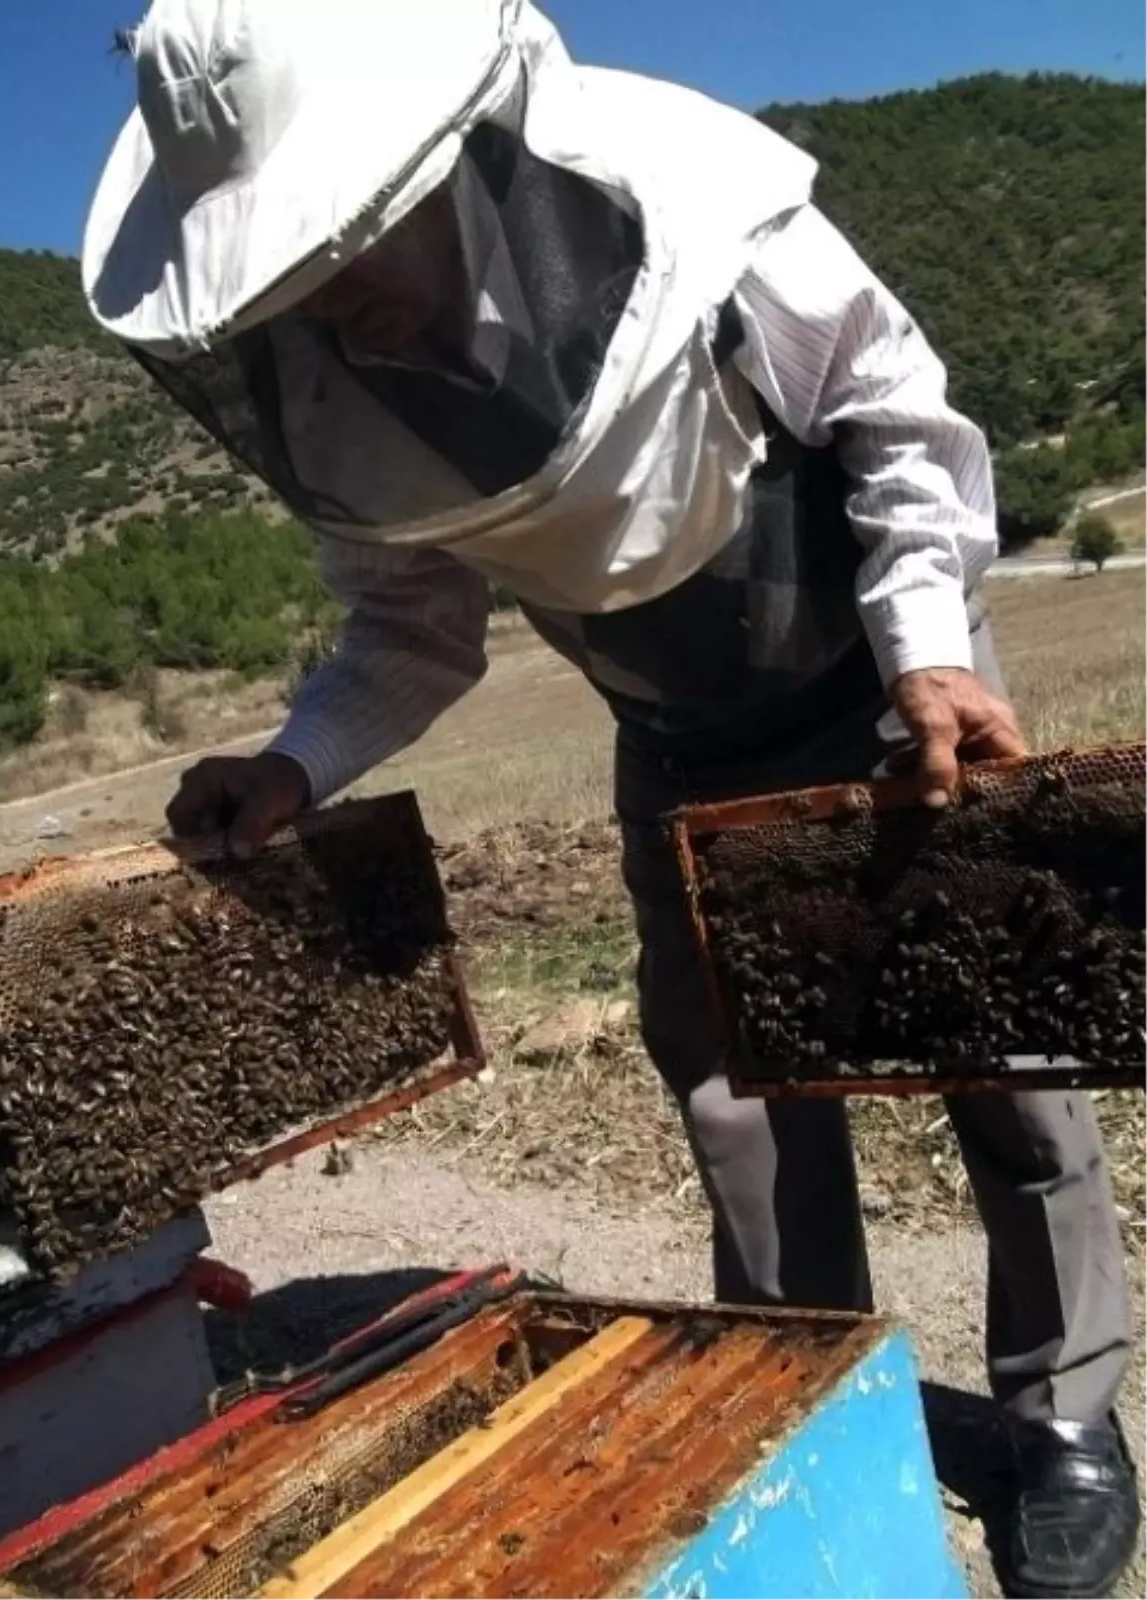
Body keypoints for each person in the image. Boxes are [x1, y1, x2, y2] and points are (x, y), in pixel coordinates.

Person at [84, 3, 1137, 1592]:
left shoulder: (698, 204)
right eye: (289, 277)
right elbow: (408, 627)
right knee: (738, 1110)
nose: (328, 302)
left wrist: (928, 646)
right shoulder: (326, 393)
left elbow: (899, 421)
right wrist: (295, 762)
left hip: (879, 679)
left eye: (342, 249)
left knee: (1002, 1062)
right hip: (673, 737)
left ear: (444, 168)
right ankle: (813, 1398)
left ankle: (1066, 1422)